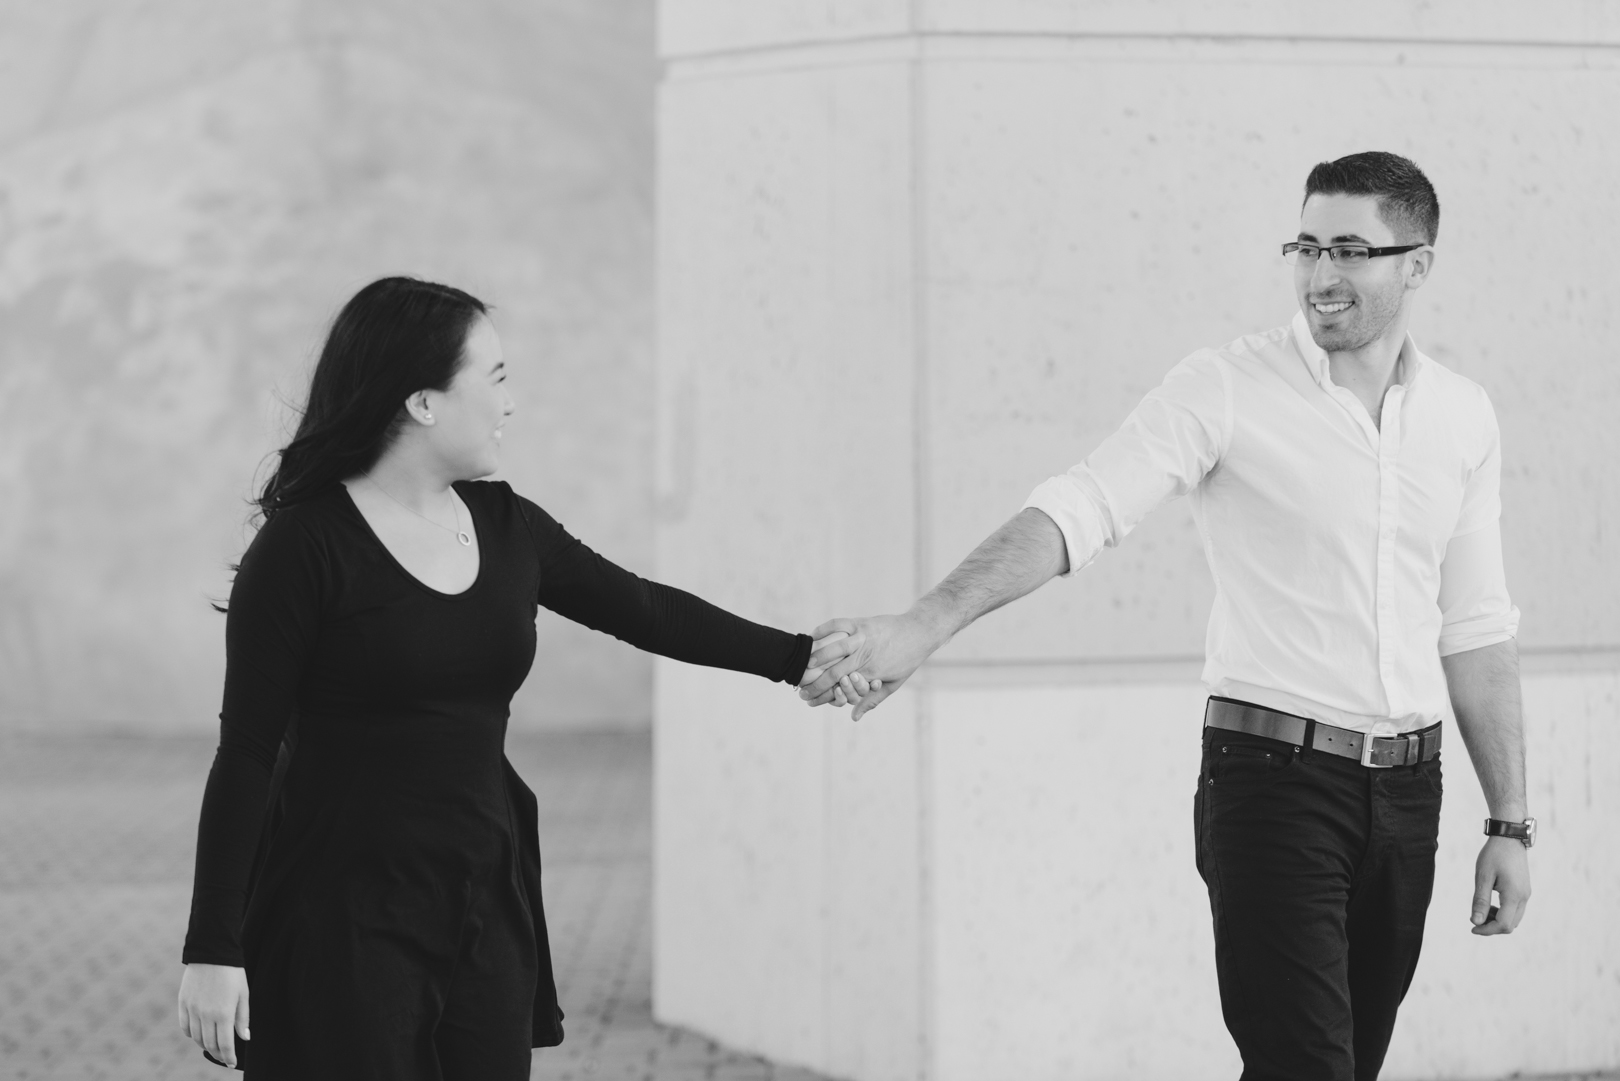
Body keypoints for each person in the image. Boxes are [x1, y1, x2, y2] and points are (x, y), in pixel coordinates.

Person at [802, 152, 1533, 1081]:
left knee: (1346, 1065)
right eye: (1305, 245)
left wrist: (1510, 823)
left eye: (1350, 249)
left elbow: (1475, 625)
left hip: (1406, 797)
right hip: (1275, 780)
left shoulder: (1464, 418)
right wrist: (923, 624)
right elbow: (1081, 507)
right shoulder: (1226, 387)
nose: (1321, 275)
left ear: (1417, 263)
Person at [175, 277, 852, 1079]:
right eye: (494, 378)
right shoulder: (303, 548)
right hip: (339, 910)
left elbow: (645, 609)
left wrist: (802, 657)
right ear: (423, 401)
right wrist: (213, 948)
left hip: (482, 897)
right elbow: (246, 752)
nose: (511, 401)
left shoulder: (506, 526)